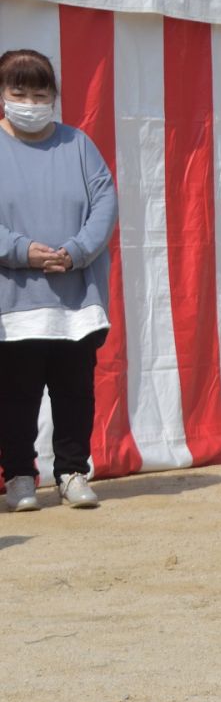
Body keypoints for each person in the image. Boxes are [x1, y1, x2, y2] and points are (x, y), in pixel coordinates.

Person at [0, 49, 116, 513]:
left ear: (54, 96)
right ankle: (20, 477)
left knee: (75, 392)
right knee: (16, 394)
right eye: (19, 91)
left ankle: (71, 472)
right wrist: (21, 250)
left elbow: (104, 202)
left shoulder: (78, 144)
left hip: (75, 299)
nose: (30, 100)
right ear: (3, 95)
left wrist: (77, 251)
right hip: (14, 299)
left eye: (40, 92)